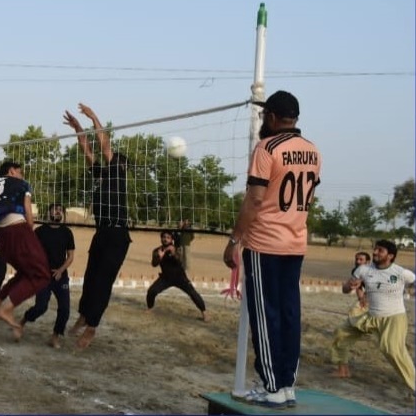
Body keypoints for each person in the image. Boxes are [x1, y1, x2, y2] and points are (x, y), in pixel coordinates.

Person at [222, 90, 322, 408]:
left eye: (266, 115)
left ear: (273, 117)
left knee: (266, 316)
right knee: (290, 313)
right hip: (295, 243)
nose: (264, 119)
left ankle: (272, 387)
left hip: (266, 243)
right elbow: (309, 198)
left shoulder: (267, 148)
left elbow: (254, 198)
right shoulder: (312, 150)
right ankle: (287, 384)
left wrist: (235, 239)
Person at [63, 103, 132, 349]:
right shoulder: (103, 175)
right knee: (91, 278)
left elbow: (103, 145)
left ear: (120, 165)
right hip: (102, 232)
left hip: (118, 235)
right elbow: (87, 149)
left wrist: (93, 117)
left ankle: (92, 327)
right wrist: (78, 128)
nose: (109, 158)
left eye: (113, 158)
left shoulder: (118, 175)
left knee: (102, 282)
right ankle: (84, 315)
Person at [329, 240, 415, 392]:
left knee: (392, 350)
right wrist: (349, 286)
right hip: (370, 317)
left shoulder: (401, 273)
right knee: (341, 333)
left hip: (393, 318)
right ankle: (343, 370)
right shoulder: (363, 270)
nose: (375, 252)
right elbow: (345, 288)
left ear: (390, 256)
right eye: (375, 249)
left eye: (380, 250)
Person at [0, 159, 51, 340]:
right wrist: (29, 229)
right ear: (12, 171)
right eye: (20, 172)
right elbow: (27, 208)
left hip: (0, 237)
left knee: (25, 271)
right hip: (18, 230)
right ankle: (7, 309)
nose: (22, 175)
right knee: (42, 275)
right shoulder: (21, 184)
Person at [20, 204, 75, 349]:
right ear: (49, 212)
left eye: (60, 209)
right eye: (54, 209)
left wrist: (61, 270)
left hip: (60, 276)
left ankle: (55, 336)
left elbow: (70, 256)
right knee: (41, 307)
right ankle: (24, 320)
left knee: (65, 309)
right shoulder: (40, 231)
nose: (57, 211)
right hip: (42, 275)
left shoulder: (67, 232)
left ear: (62, 214)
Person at [146, 230, 207, 321]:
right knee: (151, 291)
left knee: (193, 293)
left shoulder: (176, 249)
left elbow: (181, 261)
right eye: (164, 237)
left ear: (171, 239)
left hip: (180, 277)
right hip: (166, 278)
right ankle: (150, 308)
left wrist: (174, 253)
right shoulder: (157, 250)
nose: (165, 239)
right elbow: (154, 264)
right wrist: (160, 257)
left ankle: (204, 313)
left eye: (168, 238)